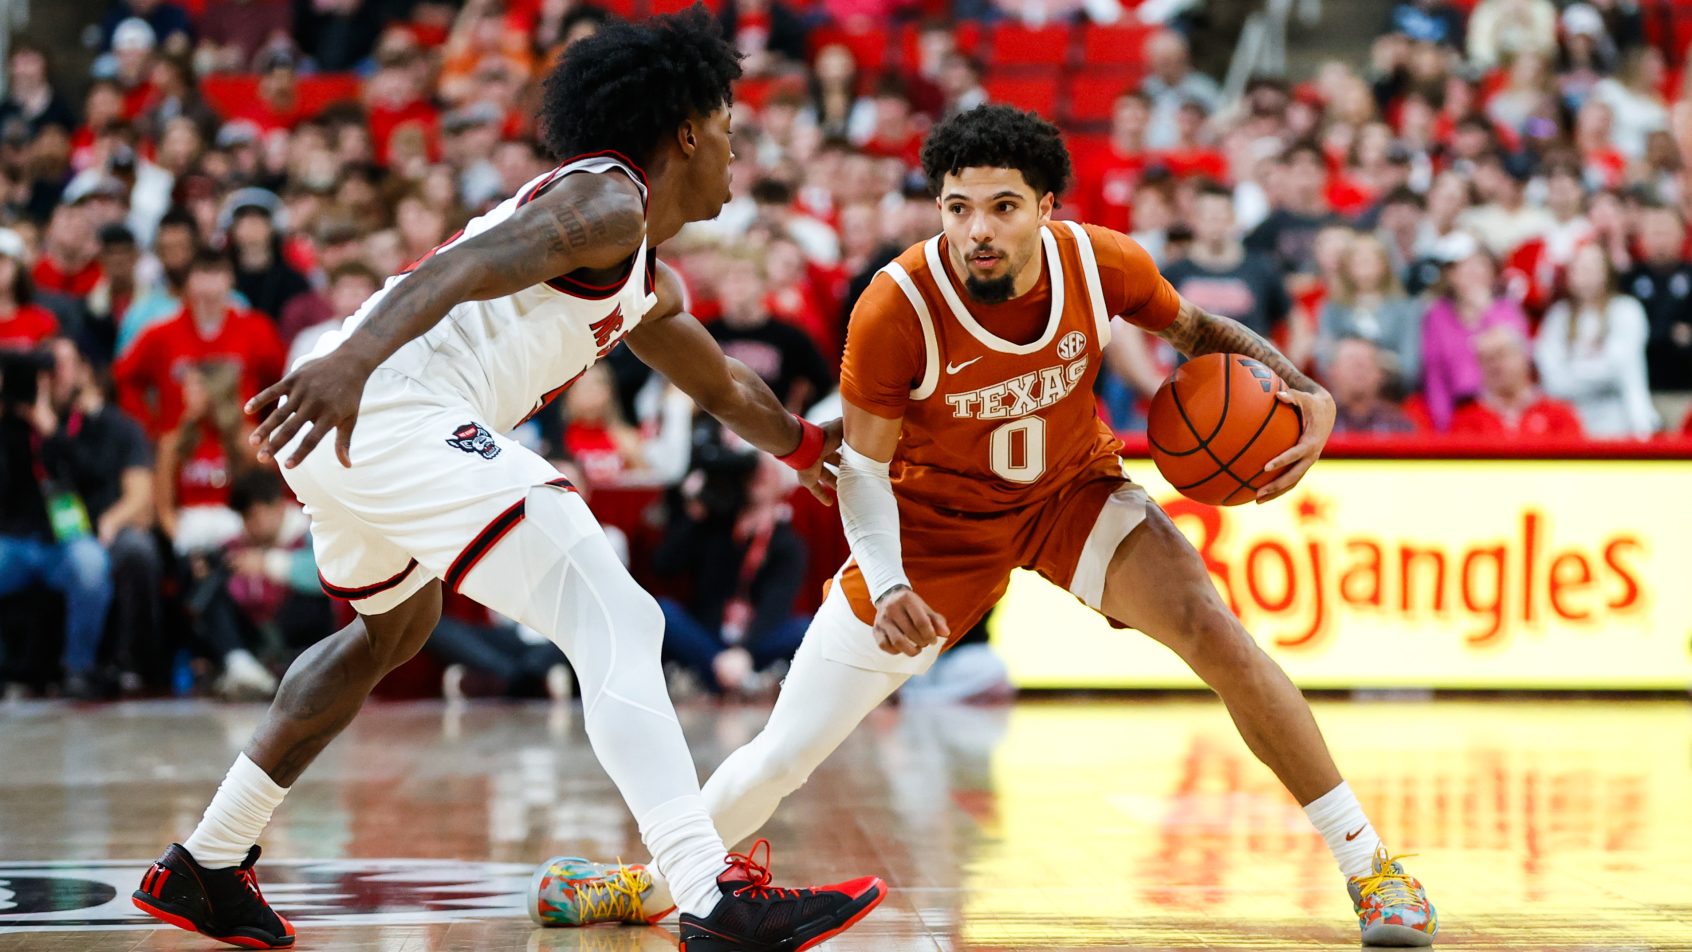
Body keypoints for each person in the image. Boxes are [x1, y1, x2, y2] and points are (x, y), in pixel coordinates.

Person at [551, 105, 1439, 947]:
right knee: (786, 753)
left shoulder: (1104, 264)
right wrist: (890, 582)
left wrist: (1307, 393)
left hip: (1069, 493)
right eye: (958, 207)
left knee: (1219, 635)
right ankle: (652, 882)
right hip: (928, 528)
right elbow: (858, 472)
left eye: (1003, 207)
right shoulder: (895, 307)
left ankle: (1373, 866)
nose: (977, 229)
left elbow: (1204, 332)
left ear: (1046, 209)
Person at [132, 13, 884, 952]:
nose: (740, 149)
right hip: (375, 400)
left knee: (390, 631)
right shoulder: (605, 201)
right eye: (731, 124)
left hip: (364, 424)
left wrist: (807, 450)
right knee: (616, 613)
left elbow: (722, 382)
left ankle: (207, 861)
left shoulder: (637, 264)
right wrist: (352, 359)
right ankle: (708, 889)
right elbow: (464, 264)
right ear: (688, 128)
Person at [654, 445, 808, 698]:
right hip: (710, 637)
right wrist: (696, 511)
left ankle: (719, 676)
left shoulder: (788, 543)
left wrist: (745, 651)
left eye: (766, 472)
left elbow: (776, 605)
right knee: (663, 612)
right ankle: (737, 678)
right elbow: (664, 564)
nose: (758, 477)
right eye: (752, 472)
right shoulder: (715, 525)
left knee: (805, 628)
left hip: (758, 640)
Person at [1534, 243, 1657, 437]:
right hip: (1568, 421)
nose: (1586, 275)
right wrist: (1594, 369)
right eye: (1580, 268)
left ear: (1607, 272)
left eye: (1592, 268)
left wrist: (1572, 370)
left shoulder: (1626, 310)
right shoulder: (1558, 316)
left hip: (1620, 419)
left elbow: (1618, 367)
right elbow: (1552, 380)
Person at [1450, 324, 1584, 437]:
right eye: (1487, 359)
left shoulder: (1560, 415)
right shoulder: (1465, 421)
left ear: (1524, 357)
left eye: (1502, 354)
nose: (1495, 365)